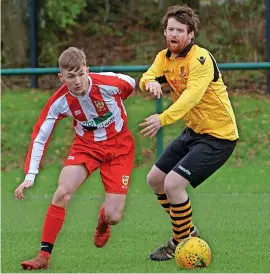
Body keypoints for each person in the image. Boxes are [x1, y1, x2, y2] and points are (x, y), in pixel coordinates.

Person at [15, 47, 136, 270]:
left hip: (119, 148)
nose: (78, 80)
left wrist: (152, 82)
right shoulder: (60, 101)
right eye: (71, 76)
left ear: (87, 70)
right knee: (62, 192)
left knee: (114, 216)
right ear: (62, 77)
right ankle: (43, 256)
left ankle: (103, 220)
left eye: (81, 73)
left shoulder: (107, 85)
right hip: (86, 147)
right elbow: (41, 135)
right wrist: (30, 175)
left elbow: (130, 83)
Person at [139, 4, 239, 262]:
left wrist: (162, 119)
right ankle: (187, 233)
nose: (174, 34)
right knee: (155, 179)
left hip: (219, 136)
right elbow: (148, 75)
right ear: (165, 32)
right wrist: (149, 82)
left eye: (180, 30)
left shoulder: (201, 59)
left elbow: (191, 98)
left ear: (191, 34)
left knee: (173, 184)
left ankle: (180, 243)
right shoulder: (165, 58)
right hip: (193, 132)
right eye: (170, 29)